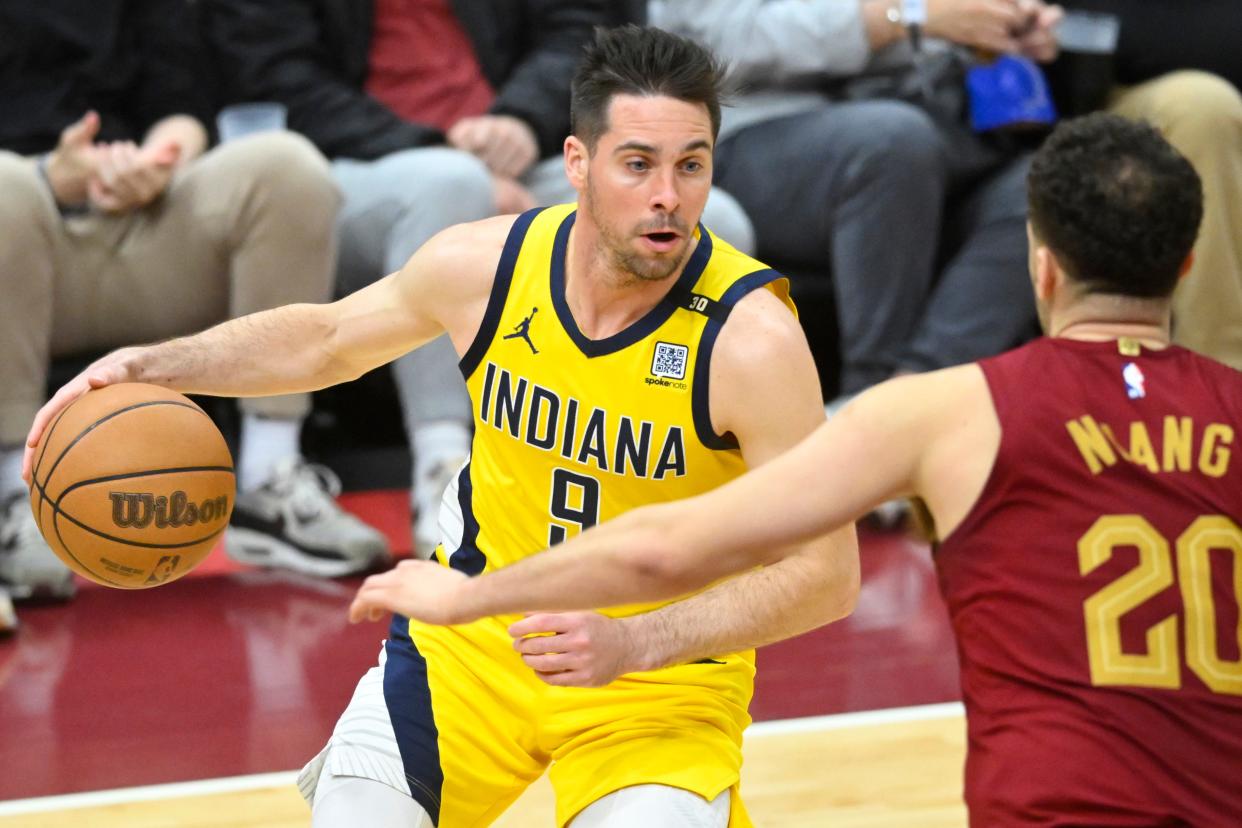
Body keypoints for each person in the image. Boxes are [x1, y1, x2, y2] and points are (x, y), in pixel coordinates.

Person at [26, 26, 858, 827]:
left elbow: (829, 573)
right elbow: (324, 340)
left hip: (658, 676)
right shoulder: (487, 266)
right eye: (637, 164)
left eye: (691, 165)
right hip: (470, 640)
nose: (667, 196)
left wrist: (640, 641)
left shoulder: (751, 341)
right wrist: (151, 365)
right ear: (576, 162)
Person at [354, 114, 1242, 825]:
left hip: (1053, 804)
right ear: (1189, 265)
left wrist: (471, 596)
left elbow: (670, 543)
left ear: (1039, 266)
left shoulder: (944, 412)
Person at [203, 0, 757, 556]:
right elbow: (273, 74)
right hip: (349, 171)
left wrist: (520, 119)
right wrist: (436, 151)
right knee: (449, 184)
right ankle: (442, 473)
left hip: (517, 155)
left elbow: (582, 27)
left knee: (717, 222)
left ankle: (661, 475)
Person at [0, 0, 388, 606]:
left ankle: (268, 476)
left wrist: (157, 160)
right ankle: (13, 497)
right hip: (23, 233)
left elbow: (184, 106)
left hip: (142, 221)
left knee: (285, 164)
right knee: (6, 188)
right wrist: (51, 173)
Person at [651, 0, 1062, 401]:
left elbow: (907, 34)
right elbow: (718, 41)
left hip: (906, 122)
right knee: (891, 143)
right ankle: (869, 397)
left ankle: (907, 400)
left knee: (1043, 184)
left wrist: (991, 25)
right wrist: (909, 16)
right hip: (741, 130)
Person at [1052, 0, 1242, 371]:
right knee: (1201, 107)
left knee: (1205, 106)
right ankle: (1220, 379)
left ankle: (1219, 392)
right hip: (1073, 104)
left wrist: (1100, 33)